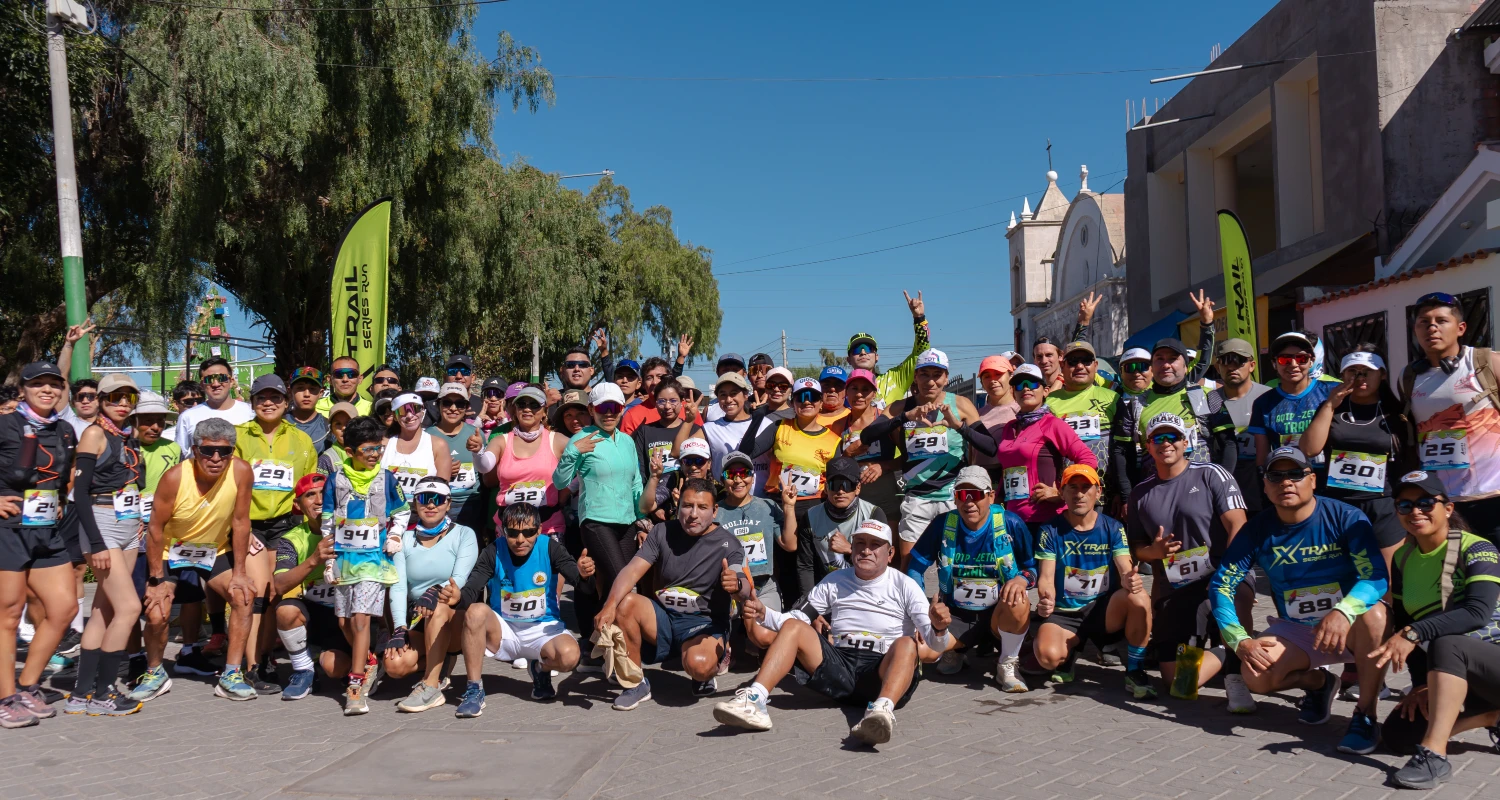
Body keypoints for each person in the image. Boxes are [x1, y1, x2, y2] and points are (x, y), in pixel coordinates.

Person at [1208, 446, 1389, 753]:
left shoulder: (1346, 517)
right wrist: (1240, 641)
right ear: (1265, 486)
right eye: (1276, 476)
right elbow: (1221, 585)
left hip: (1350, 626)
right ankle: (1319, 684)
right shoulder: (1257, 529)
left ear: (1312, 479)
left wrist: (1344, 612)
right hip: (1300, 630)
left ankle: (1365, 714)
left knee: (1376, 616)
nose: (1286, 482)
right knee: (1255, 676)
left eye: (1295, 474)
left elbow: (1375, 577)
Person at [712, 518, 946, 744]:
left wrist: (938, 627)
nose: (866, 550)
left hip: (882, 673)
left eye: (875, 545)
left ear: (890, 553)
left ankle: (881, 712)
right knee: (795, 627)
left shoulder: (905, 586)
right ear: (851, 548)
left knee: (907, 644)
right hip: (840, 669)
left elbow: (936, 647)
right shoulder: (834, 580)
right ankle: (755, 700)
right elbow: (796, 618)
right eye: (860, 544)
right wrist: (765, 613)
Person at [1372, 470, 1500, 789]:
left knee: (1447, 643)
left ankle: (1434, 757)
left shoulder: (1477, 548)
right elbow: (1403, 621)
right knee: (1398, 736)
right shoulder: (1402, 557)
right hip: (1458, 673)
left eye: (1426, 502)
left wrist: (1413, 633)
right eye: (1405, 505)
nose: (1416, 511)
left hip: (1491, 664)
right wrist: (1419, 686)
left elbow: (1477, 612)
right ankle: (1491, 717)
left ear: (1448, 508)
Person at [1126, 413, 1254, 711]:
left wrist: (1230, 577)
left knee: (1234, 601)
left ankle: (1236, 674)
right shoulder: (1140, 493)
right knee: (1179, 685)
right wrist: (1154, 553)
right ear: (1148, 445)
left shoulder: (1211, 474)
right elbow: (1137, 548)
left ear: (1186, 442)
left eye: (1173, 437)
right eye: (1158, 438)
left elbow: (1238, 526)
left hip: (1222, 575)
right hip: (1177, 587)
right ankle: (1227, 652)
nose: (1165, 443)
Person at [593, 478, 750, 707]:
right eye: (687, 506)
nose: (693, 514)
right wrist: (609, 605)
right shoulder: (662, 531)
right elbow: (632, 571)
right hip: (663, 618)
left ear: (715, 511)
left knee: (698, 665)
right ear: (678, 507)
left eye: (702, 507)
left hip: (704, 623)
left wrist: (736, 584)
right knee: (624, 603)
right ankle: (635, 683)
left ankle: (710, 666)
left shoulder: (729, 543)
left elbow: (743, 586)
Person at [141, 418, 259, 702]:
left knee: (243, 596)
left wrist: (240, 571)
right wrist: (156, 579)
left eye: (224, 451)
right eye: (208, 451)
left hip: (213, 550)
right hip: (173, 551)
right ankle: (154, 672)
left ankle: (231, 674)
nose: (216, 458)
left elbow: (241, 522)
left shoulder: (241, 471)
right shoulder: (174, 478)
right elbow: (155, 528)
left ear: (233, 451)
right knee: (157, 611)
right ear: (195, 450)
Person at [455, 503, 595, 715]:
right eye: (513, 533)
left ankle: (540, 668)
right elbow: (472, 589)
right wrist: (458, 598)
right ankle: (474, 690)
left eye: (528, 532)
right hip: (503, 631)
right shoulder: (493, 550)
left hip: (542, 630)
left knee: (569, 657)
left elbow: (581, 585)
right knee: (474, 611)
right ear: (503, 531)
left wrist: (585, 575)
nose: (520, 539)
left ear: (539, 530)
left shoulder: (550, 547)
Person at [855, 349, 991, 566]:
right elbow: (867, 435)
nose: (930, 381)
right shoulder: (901, 407)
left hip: (952, 497)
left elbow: (990, 446)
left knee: (955, 566)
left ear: (946, 377)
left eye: (937, 374)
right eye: (924, 374)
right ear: (916, 377)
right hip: (917, 498)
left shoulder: (961, 404)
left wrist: (959, 427)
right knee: (910, 567)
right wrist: (904, 417)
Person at [905, 466, 1034, 692]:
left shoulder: (1011, 523)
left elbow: (1033, 567)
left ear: (991, 496)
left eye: (975, 495)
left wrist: (1022, 580)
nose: (968, 502)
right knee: (922, 651)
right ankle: (954, 650)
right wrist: (921, 611)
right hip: (957, 614)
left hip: (998, 613)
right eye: (961, 495)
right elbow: (915, 567)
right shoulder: (943, 523)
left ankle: (1007, 664)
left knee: (1019, 598)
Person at [0, 362, 80, 728]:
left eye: (54, 385)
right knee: (9, 615)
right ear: (24, 389)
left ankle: (28, 685)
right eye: (38, 385)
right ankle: (5, 698)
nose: (47, 390)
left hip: (47, 530)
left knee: (62, 609)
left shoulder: (64, 430)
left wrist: (60, 500)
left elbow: (63, 477)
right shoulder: (5, 423)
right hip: (8, 529)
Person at [63, 374, 146, 716]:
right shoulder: (95, 433)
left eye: (129, 397)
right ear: (100, 399)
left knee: (103, 610)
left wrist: (138, 521)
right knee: (129, 609)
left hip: (128, 525)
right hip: (102, 524)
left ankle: (83, 694)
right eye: (115, 397)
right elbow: (78, 494)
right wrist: (95, 542)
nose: (123, 402)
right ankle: (105, 693)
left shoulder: (129, 437)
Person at [1033, 465, 1153, 697]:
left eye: (1086, 488)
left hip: (1102, 611)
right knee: (1048, 658)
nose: (1080, 494)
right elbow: (1046, 577)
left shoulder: (1113, 527)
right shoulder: (1049, 529)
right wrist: (1045, 598)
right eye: (1073, 488)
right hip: (1065, 613)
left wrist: (1131, 579)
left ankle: (1135, 669)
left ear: (1098, 492)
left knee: (1139, 597)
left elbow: (1125, 567)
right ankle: (1071, 649)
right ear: (1062, 492)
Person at [234, 373, 318, 694]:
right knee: (254, 596)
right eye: (261, 398)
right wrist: (239, 526)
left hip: (285, 524)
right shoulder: (240, 436)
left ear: (286, 402)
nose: (268, 403)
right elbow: (229, 485)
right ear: (252, 402)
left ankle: (267, 658)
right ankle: (252, 667)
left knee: (273, 595)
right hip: (251, 526)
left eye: (275, 398)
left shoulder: (301, 440)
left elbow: (309, 487)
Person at [322, 415, 411, 715]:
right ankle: (371, 660)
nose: (374, 455)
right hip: (345, 560)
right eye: (368, 450)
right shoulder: (335, 480)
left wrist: (396, 534)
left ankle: (355, 686)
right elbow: (327, 520)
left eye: (378, 449)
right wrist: (327, 557)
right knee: (345, 622)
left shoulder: (387, 478)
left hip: (375, 560)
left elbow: (402, 510)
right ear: (350, 452)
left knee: (361, 621)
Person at [1400, 291, 1500, 545]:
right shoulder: (1408, 377)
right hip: (1444, 504)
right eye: (1424, 322)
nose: (1432, 328)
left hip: (1494, 496)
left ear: (1460, 328)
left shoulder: (1487, 363)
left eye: (1441, 321)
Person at [1111, 291, 1230, 498]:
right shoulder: (1134, 404)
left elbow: (1228, 443)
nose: (1166, 364)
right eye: (1159, 359)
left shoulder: (1205, 396)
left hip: (1203, 492)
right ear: (1152, 366)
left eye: (1173, 359)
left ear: (1186, 365)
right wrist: (1126, 496)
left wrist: (1225, 486)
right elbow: (1122, 452)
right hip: (1154, 494)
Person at [553, 382, 643, 652]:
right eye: (602, 407)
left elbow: (635, 482)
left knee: (612, 589)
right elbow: (559, 482)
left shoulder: (626, 441)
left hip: (627, 522)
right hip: (595, 521)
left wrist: (642, 519)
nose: (608, 413)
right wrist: (572, 452)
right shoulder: (582, 439)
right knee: (622, 585)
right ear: (592, 410)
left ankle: (599, 648)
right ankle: (622, 651)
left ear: (622, 409)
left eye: (614, 407)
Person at [1299, 348, 1414, 558]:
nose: (1360, 377)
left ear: (1382, 374)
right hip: (1339, 503)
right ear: (1342, 376)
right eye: (1352, 371)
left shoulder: (1397, 413)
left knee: (1386, 577)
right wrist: (1330, 405)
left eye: (1367, 371)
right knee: (1345, 574)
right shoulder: (1330, 408)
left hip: (1384, 504)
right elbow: (1309, 449)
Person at [385, 476, 477, 713]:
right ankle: (441, 662)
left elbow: (460, 580)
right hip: (419, 616)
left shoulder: (464, 534)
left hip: (455, 616)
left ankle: (430, 686)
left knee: (439, 605)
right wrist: (399, 628)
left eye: (438, 500)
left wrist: (436, 590)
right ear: (415, 503)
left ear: (448, 503)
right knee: (395, 666)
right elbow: (398, 586)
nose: (431, 505)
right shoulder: (403, 539)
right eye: (425, 499)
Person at [270, 473, 345, 701]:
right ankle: (304, 670)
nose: (320, 500)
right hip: (314, 614)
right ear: (298, 505)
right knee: (285, 610)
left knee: (335, 668)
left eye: (324, 493)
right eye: (310, 495)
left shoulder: (349, 528)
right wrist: (314, 559)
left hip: (348, 617)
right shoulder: (291, 539)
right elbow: (280, 585)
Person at [992, 364, 1097, 525]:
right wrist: (997, 501)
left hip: (1045, 519)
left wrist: (1062, 492)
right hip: (1012, 519)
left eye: (1033, 384)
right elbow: (1008, 470)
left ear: (1045, 391)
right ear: (1013, 393)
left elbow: (1088, 460)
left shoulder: (1052, 424)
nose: (1026, 389)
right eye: (1019, 385)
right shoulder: (1009, 428)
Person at [478, 384, 570, 541]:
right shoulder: (501, 440)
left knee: (546, 566)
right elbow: (484, 466)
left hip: (548, 527)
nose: (527, 409)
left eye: (534, 405)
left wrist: (565, 494)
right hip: (509, 530)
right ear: (515, 410)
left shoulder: (558, 440)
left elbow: (581, 467)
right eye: (522, 404)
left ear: (544, 411)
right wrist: (477, 451)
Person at [793, 456, 890, 604]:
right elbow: (806, 566)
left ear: (858, 488)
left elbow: (882, 563)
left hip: (865, 590)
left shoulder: (873, 514)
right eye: (835, 484)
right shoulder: (811, 516)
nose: (840, 491)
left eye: (847, 485)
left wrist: (851, 549)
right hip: (825, 590)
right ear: (826, 487)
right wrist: (810, 604)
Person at [715, 451, 798, 614]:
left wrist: (788, 507)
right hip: (728, 588)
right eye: (731, 474)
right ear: (722, 479)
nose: (738, 479)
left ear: (752, 477)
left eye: (744, 473)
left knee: (765, 634)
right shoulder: (715, 511)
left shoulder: (767, 506)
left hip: (764, 586)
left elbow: (790, 544)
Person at [743, 377, 841, 511]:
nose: (807, 402)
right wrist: (757, 419)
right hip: (777, 503)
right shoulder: (779, 426)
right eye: (800, 397)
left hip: (813, 506)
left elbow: (836, 481)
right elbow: (745, 452)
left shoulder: (834, 441)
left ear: (821, 403)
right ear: (793, 402)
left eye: (812, 397)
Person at [1249, 332, 1338, 477]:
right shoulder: (1263, 403)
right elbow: (1262, 457)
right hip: (1288, 482)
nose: (1294, 364)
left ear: (1311, 361)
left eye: (1301, 358)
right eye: (1285, 359)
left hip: (1329, 483)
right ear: (1274, 363)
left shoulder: (1331, 392)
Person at [1045, 340, 1120, 493]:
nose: (1080, 366)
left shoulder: (1113, 398)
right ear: (1063, 367)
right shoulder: (1048, 403)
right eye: (1073, 362)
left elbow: (1123, 448)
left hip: (1106, 491)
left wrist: (1121, 491)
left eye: (1086, 361)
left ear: (1095, 366)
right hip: (1066, 493)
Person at [833, 369, 901, 525]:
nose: (859, 395)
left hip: (886, 497)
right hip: (853, 500)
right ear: (846, 392)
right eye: (854, 389)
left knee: (889, 546)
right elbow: (832, 465)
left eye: (865, 389)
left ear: (874, 393)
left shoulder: (886, 420)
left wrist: (883, 466)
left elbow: (907, 458)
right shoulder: (838, 425)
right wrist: (847, 455)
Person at [1212, 338, 1271, 516]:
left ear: (1252, 365)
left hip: (1264, 488)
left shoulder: (1268, 397)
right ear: (1217, 366)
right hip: (1224, 489)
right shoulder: (1209, 401)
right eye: (1225, 360)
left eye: (1239, 360)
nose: (1231, 367)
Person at [844, 290, 931, 409]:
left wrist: (919, 318)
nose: (863, 352)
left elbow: (921, 353)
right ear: (848, 359)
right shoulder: (841, 389)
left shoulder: (894, 378)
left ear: (877, 356)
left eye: (868, 348)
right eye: (857, 349)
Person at [675, 372, 754, 477]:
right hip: (725, 491)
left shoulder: (762, 423)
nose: (728, 400)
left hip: (761, 493)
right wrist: (689, 421)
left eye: (734, 393)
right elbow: (677, 451)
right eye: (723, 395)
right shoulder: (710, 429)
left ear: (745, 395)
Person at [379, 393, 452, 504]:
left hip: (424, 512)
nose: (409, 415)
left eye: (415, 408)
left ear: (423, 410)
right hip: (388, 512)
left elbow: (442, 489)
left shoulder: (438, 445)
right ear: (394, 415)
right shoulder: (384, 443)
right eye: (403, 411)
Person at [426, 382, 482, 524]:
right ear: (438, 405)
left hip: (472, 504)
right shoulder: (426, 436)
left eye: (459, 404)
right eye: (447, 403)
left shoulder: (476, 434)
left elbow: (487, 472)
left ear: (466, 407)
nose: (453, 408)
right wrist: (442, 471)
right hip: (437, 503)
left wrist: (480, 451)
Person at [174, 357, 255, 453]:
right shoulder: (187, 417)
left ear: (231, 382)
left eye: (222, 378)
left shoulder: (251, 412)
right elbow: (179, 455)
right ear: (202, 384)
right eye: (209, 379)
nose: (216, 384)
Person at [973, 354, 1021, 488]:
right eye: (987, 376)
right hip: (982, 481)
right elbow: (972, 456)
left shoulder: (1021, 412)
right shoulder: (977, 414)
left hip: (1013, 478)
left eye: (998, 374)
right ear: (981, 382)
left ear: (1010, 376)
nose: (993, 380)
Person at [620, 357, 687, 434]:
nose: (654, 382)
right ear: (643, 383)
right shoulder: (632, 416)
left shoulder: (688, 410)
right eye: (649, 378)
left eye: (660, 377)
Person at [286, 367, 330, 451]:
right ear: (290, 391)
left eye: (312, 389)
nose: (306, 394)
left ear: (321, 393)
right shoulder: (278, 423)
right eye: (300, 388)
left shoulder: (328, 428)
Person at [316, 402, 359, 474]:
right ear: (331, 430)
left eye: (348, 422)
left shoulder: (372, 450)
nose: (343, 428)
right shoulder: (326, 459)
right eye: (338, 424)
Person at [703, 351, 746, 423]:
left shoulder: (754, 404)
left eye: (735, 370)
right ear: (718, 373)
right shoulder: (709, 409)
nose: (730, 374)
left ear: (744, 374)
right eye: (725, 370)